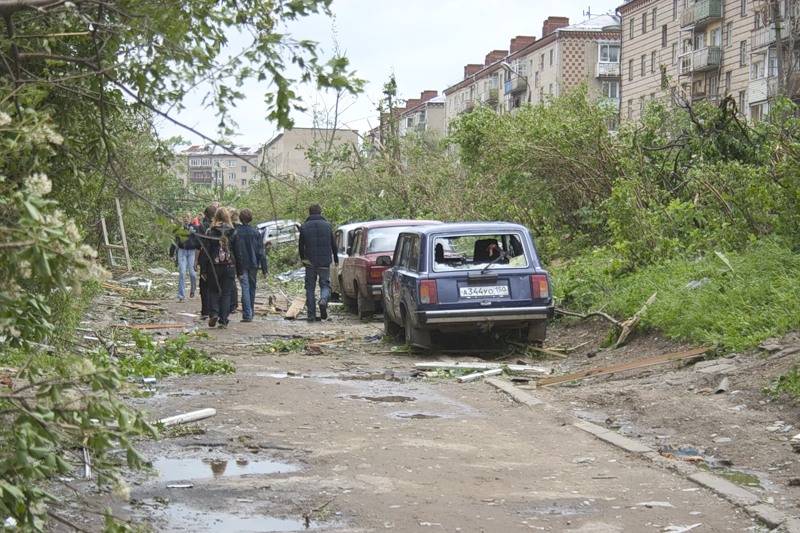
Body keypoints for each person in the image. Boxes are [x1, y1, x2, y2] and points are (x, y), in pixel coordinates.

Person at [298, 203, 338, 322]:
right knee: (325, 284)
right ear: (320, 212)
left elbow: (301, 247)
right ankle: (323, 300)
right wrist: (335, 258)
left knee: (310, 287)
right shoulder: (327, 225)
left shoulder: (304, 227)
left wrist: (304, 260)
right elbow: (333, 244)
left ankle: (311, 314)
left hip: (310, 262)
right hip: (324, 262)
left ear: (309, 213)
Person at [204, 207, 242, 328]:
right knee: (226, 293)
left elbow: (206, 251)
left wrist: (204, 269)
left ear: (215, 217)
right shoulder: (233, 232)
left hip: (214, 266)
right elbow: (238, 252)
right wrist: (239, 271)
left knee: (213, 291)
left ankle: (214, 313)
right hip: (229, 265)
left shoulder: (210, 231)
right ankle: (224, 319)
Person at [236, 208, 268, 322]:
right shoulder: (256, 233)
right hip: (254, 263)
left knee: (245, 286)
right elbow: (261, 251)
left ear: (240, 218)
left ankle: (247, 314)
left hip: (241, 263)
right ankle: (251, 312)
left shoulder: (236, 232)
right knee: (252, 288)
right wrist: (265, 269)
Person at [168, 212, 198, 302]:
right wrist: (171, 254)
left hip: (192, 252)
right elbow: (173, 242)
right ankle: (181, 296)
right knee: (182, 273)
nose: (186, 219)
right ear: (182, 218)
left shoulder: (195, 228)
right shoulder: (178, 229)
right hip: (182, 251)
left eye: (187, 217)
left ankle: (193, 289)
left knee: (193, 274)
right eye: (184, 217)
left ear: (190, 218)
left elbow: (199, 242)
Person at [195, 203, 218, 319]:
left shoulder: (201, 227)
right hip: (217, 260)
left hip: (205, 259)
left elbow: (198, 246)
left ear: (205, 214)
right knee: (214, 285)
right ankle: (214, 310)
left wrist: (195, 261)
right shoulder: (217, 227)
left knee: (204, 285)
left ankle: (205, 311)